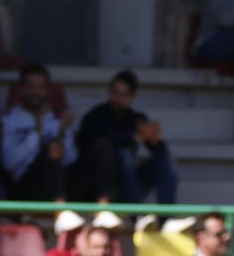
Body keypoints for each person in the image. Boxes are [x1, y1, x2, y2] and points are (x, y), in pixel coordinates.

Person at [75, 70, 179, 204]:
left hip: (126, 185)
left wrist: (155, 141)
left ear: (132, 97)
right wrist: (134, 138)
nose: (117, 99)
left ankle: (166, 219)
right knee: (124, 154)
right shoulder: (94, 117)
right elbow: (105, 143)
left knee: (165, 158)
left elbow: (157, 150)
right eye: (114, 93)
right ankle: (134, 215)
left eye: (123, 95)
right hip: (95, 188)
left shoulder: (136, 119)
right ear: (109, 91)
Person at [0, 64, 76, 202]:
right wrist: (36, 133)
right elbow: (9, 163)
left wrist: (62, 132)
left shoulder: (56, 121)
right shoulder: (9, 121)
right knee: (50, 149)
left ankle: (104, 211)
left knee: (100, 149)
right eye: (31, 86)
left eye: (41, 87)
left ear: (47, 90)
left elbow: (70, 160)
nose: (36, 92)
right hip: (25, 185)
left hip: (60, 183)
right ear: (22, 88)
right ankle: (60, 211)